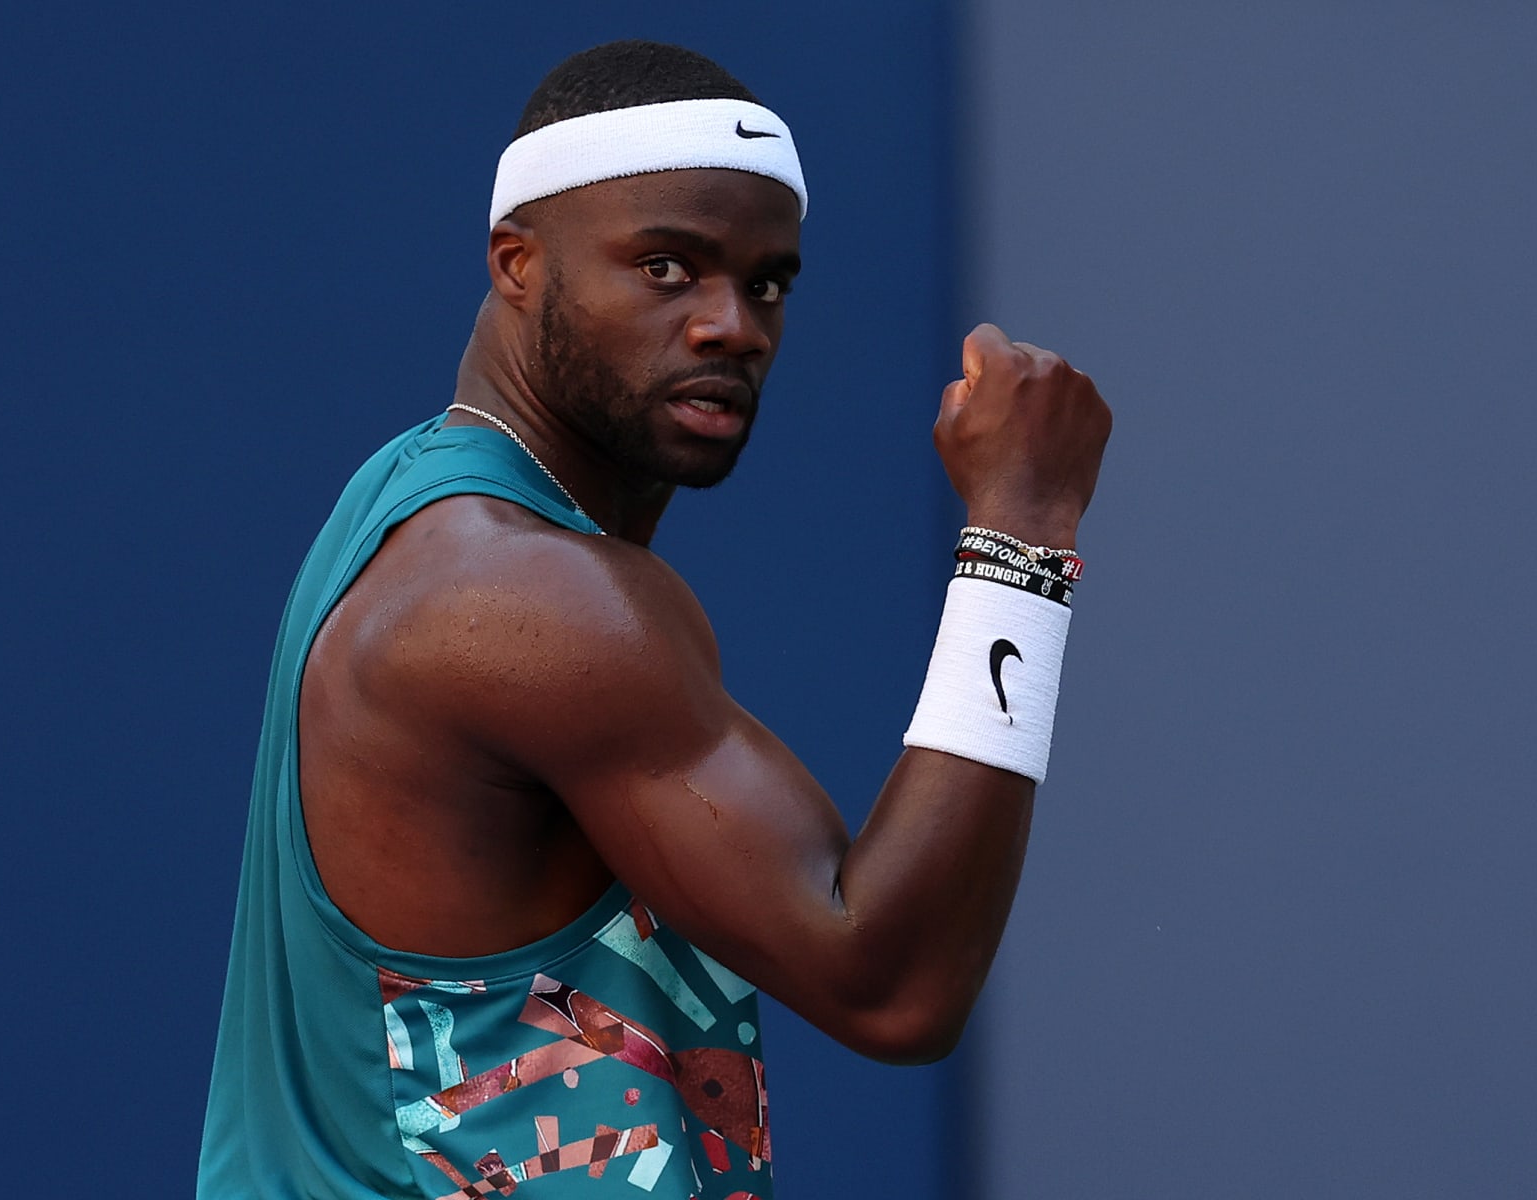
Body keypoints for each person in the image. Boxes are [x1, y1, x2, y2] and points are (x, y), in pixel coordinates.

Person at [198, 39, 1109, 1199]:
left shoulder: (418, 503)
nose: (734, 324)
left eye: (766, 282)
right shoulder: (532, 598)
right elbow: (895, 986)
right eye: (668, 267)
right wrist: (1022, 532)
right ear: (518, 262)